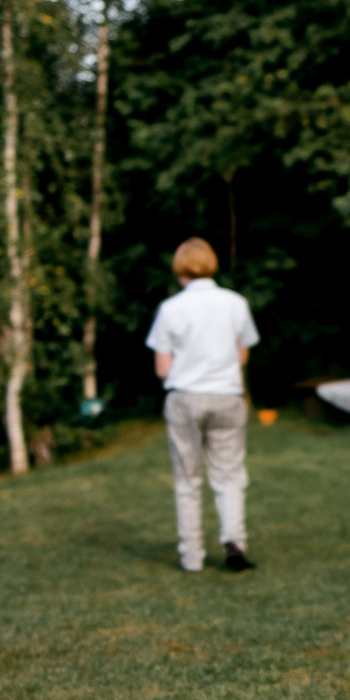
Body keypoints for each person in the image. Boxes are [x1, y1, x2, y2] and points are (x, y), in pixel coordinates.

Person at [146, 237, 261, 573]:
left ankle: (192, 556)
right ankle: (234, 542)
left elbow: (162, 369)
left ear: (179, 269)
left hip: (185, 398)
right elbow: (242, 354)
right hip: (227, 396)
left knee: (187, 480)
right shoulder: (235, 303)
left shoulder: (170, 308)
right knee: (229, 474)